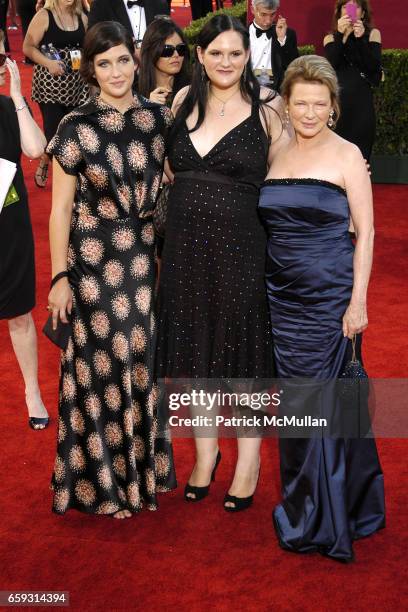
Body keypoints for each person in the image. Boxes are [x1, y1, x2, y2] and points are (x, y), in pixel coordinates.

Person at [156, 14, 287, 511]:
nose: (226, 62)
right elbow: (164, 168)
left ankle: (248, 461)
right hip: (186, 251)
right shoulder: (180, 104)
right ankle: (206, 455)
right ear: (200, 57)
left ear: (245, 57)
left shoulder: (269, 112)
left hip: (242, 251)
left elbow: (289, 177)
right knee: (195, 353)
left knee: (244, 358)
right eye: (216, 53)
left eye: (235, 53)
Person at [46, 20, 176, 518]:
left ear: (135, 59)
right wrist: (60, 277)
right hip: (94, 261)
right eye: (104, 63)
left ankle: (140, 477)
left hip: (142, 257)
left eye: (123, 59)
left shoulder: (156, 119)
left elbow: (180, 176)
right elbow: (60, 211)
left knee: (139, 358)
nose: (116, 71)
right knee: (105, 362)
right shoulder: (75, 126)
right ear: (90, 69)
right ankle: (104, 483)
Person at [259, 55, 385, 562]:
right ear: (286, 104)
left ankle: (328, 517)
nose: (309, 112)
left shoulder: (349, 156)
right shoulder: (276, 149)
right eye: (300, 102)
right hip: (279, 299)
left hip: (330, 300)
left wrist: (357, 302)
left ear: (333, 107)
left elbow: (368, 232)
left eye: (319, 104)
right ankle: (308, 502)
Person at [0, 29, 49, 430]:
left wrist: (17, 96)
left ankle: (32, 391)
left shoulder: (5, 109)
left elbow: (35, 149)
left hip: (9, 229)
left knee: (18, 314)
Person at [23, 0, 89, 188]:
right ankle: (66, 181)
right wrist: (48, 63)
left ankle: (47, 155)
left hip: (76, 87)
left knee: (73, 135)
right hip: (50, 88)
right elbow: (27, 47)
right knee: (54, 133)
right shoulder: (44, 16)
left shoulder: (82, 17)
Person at [324, 0, 382, 160]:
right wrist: (341, 36)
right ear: (339, 13)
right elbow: (331, 66)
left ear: (363, 13)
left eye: (356, 7)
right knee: (335, 156)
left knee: (362, 156)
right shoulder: (330, 37)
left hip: (362, 103)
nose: (351, 10)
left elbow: (373, 69)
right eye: (346, 6)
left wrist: (361, 38)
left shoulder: (373, 34)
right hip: (338, 103)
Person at [138, 16, 190, 106]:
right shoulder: (134, 94)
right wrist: (149, 108)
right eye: (167, 50)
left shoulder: (193, 88)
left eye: (180, 48)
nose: (176, 55)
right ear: (152, 52)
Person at [249, 0, 298, 92]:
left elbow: (293, 66)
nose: (268, 21)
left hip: (277, 90)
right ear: (252, 10)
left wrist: (282, 40)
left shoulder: (288, 34)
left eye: (272, 15)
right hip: (247, 88)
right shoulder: (241, 34)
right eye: (263, 14)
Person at [87, 0, 170, 47]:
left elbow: (168, 37)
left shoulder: (160, 4)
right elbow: (92, 39)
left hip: (154, 70)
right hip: (118, 72)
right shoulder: (101, 5)